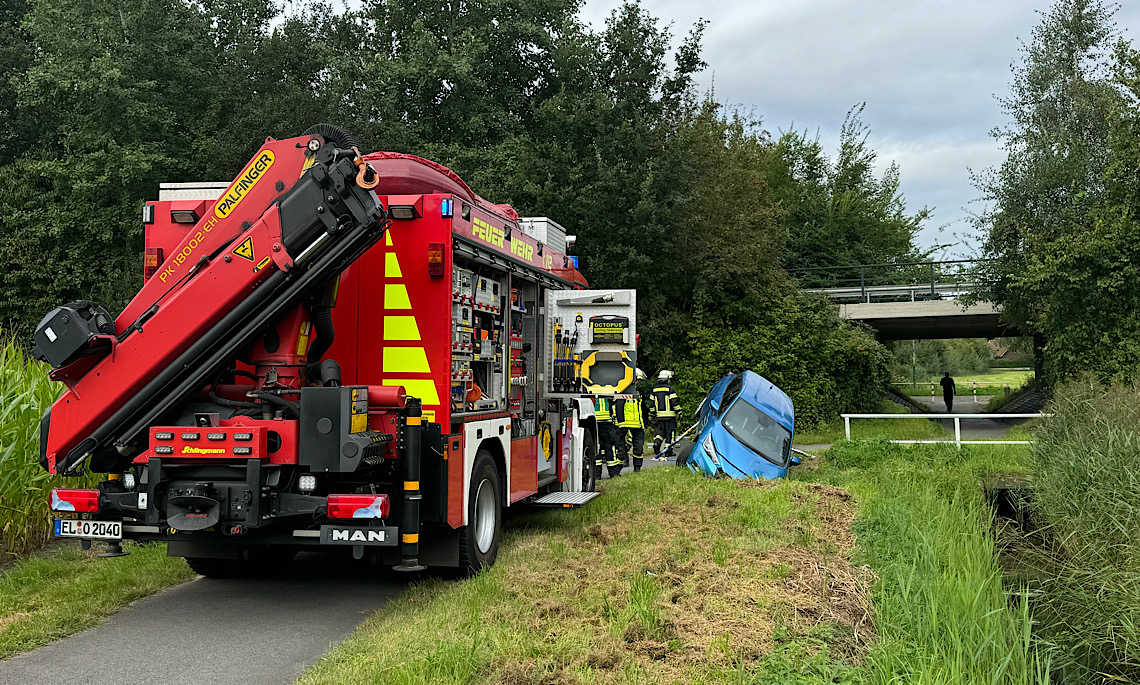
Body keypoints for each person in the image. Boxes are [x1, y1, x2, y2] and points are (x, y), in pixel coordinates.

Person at [650, 370, 681, 460]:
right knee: (670, 433)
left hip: (659, 416)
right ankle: (668, 451)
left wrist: (653, 415)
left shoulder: (654, 389)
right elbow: (674, 402)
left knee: (661, 433)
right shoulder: (670, 389)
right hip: (670, 416)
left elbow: (652, 404)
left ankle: (656, 443)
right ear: (667, 379)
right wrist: (679, 412)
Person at [616, 388, 646, 473]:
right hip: (626, 426)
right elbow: (619, 408)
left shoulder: (638, 393)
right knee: (623, 449)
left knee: (639, 448)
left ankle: (637, 469)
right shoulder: (622, 392)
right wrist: (622, 425)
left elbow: (641, 409)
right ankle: (616, 471)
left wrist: (643, 423)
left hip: (638, 426)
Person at [593, 395, 622, 479]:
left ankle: (596, 475)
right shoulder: (607, 389)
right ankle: (613, 474)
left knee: (597, 448)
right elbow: (615, 400)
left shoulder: (590, 389)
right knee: (610, 448)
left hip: (594, 421)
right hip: (606, 422)